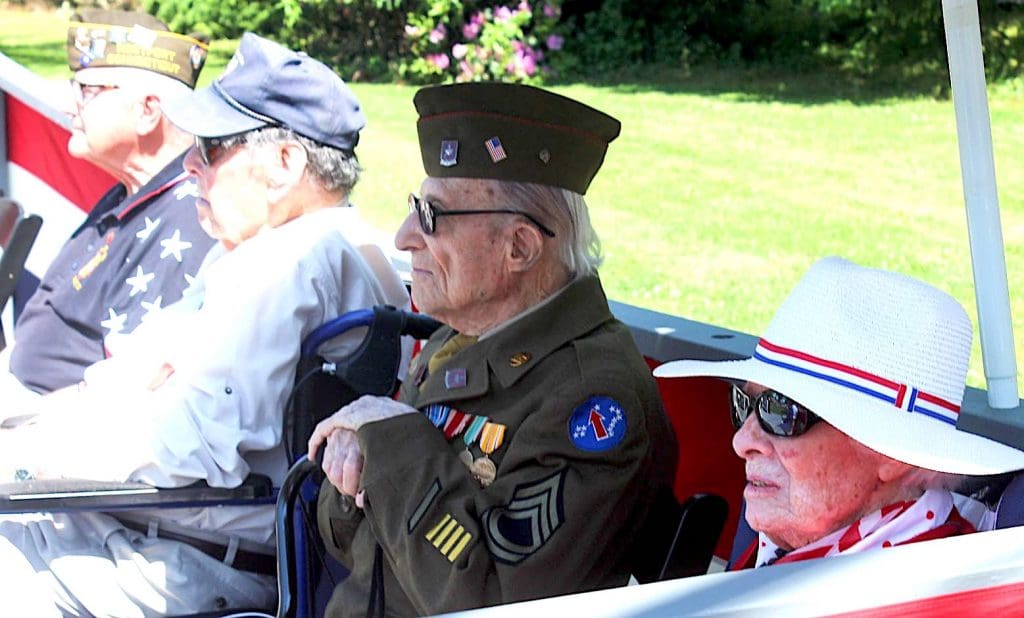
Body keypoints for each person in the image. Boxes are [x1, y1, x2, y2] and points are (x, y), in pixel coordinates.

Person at [0, 33, 409, 616]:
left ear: (284, 166)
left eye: (212, 148)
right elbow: (128, 376)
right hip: (154, 534)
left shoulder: (289, 264)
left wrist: (29, 459)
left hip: (185, 559)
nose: (190, 162)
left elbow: (191, 445)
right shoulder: (275, 248)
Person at [309, 82, 679, 616]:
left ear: (520, 248)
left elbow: (495, 602)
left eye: (432, 216)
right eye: (414, 208)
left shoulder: (591, 398)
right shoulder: (455, 341)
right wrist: (356, 467)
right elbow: (349, 539)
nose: (404, 236)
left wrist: (392, 441)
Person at [654, 256, 1024, 569]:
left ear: (891, 456)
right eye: (744, 403)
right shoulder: (796, 544)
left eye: (782, 412)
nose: (742, 441)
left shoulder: (933, 599)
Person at [1, 10, 216, 400]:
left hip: (51, 433)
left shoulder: (188, 216)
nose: (69, 107)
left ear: (148, 111)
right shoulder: (132, 191)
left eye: (87, 90)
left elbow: (129, 396)